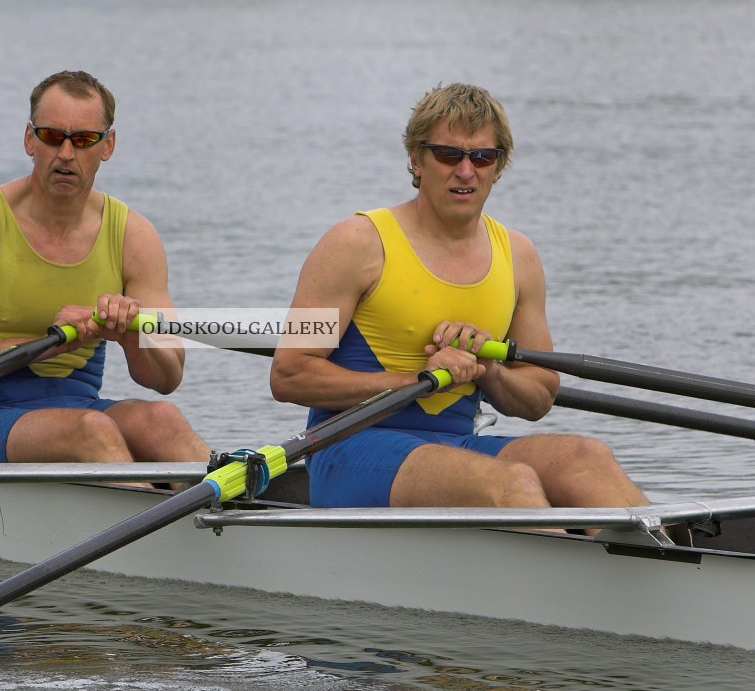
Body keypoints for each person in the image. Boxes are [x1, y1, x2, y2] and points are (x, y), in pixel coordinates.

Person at [269, 82, 649, 515]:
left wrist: (490, 372)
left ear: (498, 166)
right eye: (449, 154)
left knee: (588, 459)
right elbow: (290, 374)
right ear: (416, 159)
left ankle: (660, 563)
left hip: (454, 446)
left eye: (482, 157)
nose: (466, 171)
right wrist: (418, 378)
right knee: (510, 482)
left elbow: (540, 394)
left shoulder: (518, 256)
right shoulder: (354, 243)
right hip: (349, 449)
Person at [0, 70, 210, 467]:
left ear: (108, 145)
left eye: (83, 140)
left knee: (162, 420)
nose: (66, 154)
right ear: (30, 139)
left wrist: (129, 335)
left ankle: (228, 518)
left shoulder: (134, 236)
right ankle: (151, 512)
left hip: (82, 409)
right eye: (52, 137)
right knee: (91, 431)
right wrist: (37, 348)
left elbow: (168, 378)